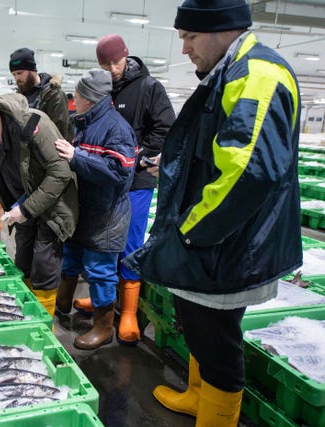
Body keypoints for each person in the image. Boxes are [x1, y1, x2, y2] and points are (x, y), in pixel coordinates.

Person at [124, 1, 302, 425]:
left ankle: (216, 416)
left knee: (218, 342)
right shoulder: (231, 70)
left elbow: (246, 174)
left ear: (221, 29)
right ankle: (198, 396)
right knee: (199, 329)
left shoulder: (257, 75)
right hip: (212, 239)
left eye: (189, 37)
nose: (184, 48)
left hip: (226, 243)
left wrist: (188, 233)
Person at [70, 33, 176, 346]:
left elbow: (166, 128)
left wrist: (138, 157)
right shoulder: (102, 89)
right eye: (105, 64)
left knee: (129, 243)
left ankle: (127, 312)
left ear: (126, 55)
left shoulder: (149, 87)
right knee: (100, 243)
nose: (112, 69)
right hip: (104, 181)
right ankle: (105, 300)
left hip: (137, 182)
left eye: (115, 62)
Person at [0, 94, 78, 316]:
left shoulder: (33, 125)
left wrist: (26, 209)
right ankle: (25, 316)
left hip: (53, 206)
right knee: (23, 262)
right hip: (21, 206)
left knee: (44, 266)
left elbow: (60, 173)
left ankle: (43, 325)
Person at [54, 69, 136, 349]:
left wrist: (77, 156)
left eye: (77, 95)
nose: (74, 99)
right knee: (71, 258)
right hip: (83, 210)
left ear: (91, 98)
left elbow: (119, 171)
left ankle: (103, 328)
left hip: (107, 215)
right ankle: (61, 307)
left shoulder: (117, 128)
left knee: (100, 271)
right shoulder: (85, 122)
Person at [9, 47, 73, 141]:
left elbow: (59, 134)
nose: (17, 78)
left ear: (32, 70)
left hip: (48, 152)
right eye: (14, 74)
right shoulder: (19, 97)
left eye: (20, 73)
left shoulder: (53, 94)